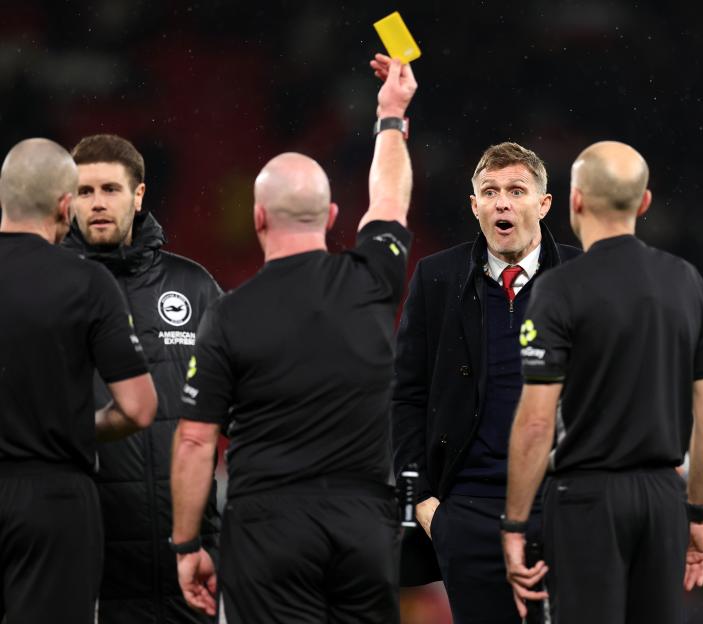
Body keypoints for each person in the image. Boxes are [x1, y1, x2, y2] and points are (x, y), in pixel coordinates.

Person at [169, 53, 417, 623]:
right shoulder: (374, 277)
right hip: (364, 525)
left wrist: (187, 546)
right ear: (331, 216)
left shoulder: (226, 317)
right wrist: (392, 115)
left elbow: (193, 443)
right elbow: (390, 198)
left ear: (258, 218)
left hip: (267, 528)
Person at [503, 141, 703, 623]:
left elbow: (536, 423)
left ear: (575, 200)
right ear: (644, 203)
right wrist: (699, 513)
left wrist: (515, 524)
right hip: (664, 497)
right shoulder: (686, 282)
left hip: (586, 500)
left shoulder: (558, 289)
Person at [392, 141, 581, 622]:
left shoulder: (585, 277)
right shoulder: (436, 277)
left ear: (543, 204)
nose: (502, 202)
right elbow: (406, 395)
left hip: (562, 510)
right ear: (474, 205)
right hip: (466, 514)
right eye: (490, 191)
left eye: (517, 190)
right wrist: (427, 506)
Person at [62, 134, 223, 624]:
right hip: (90, 556)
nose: (97, 204)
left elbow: (242, 400)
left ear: (138, 195)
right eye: (84, 192)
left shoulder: (193, 286)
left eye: (110, 189)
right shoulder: (52, 288)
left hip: (188, 553)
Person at [0, 138, 157, 624]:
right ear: (65, 205)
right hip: (54, 498)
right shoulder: (86, 281)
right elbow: (137, 408)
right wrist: (66, 425)